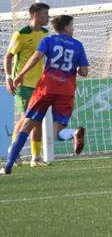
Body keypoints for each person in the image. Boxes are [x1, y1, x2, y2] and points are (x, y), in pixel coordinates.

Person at [2, 14, 89, 176]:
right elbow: (84, 72)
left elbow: (36, 57)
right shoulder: (78, 45)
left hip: (45, 88)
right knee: (57, 132)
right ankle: (73, 133)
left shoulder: (48, 40)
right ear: (66, 27)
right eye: (72, 25)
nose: (73, 28)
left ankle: (7, 166)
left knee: (26, 126)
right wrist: (72, 67)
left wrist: (21, 74)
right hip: (66, 91)